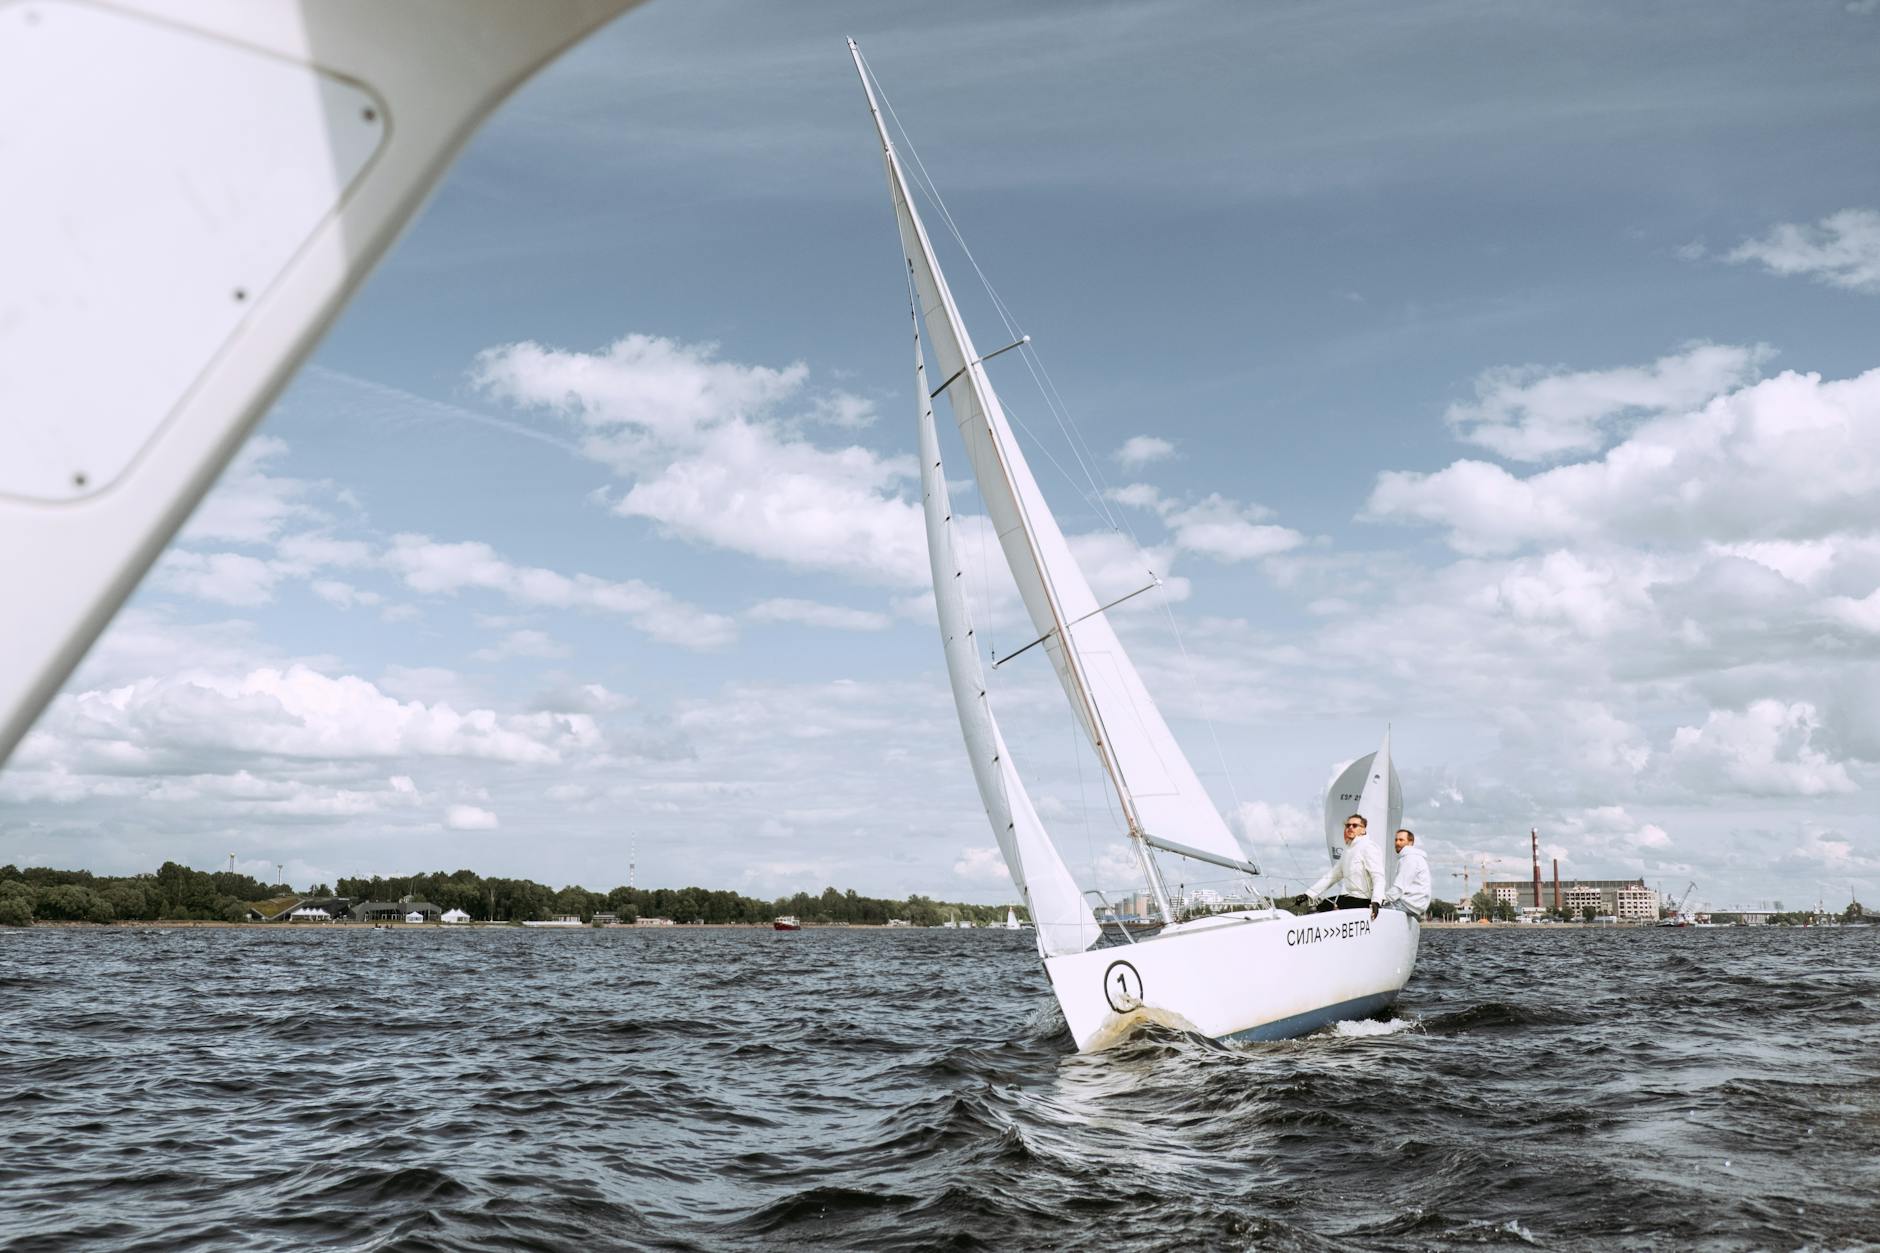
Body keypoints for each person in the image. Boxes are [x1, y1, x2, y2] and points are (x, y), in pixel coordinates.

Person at [1304, 814, 1386, 917]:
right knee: (1321, 906)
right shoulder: (1348, 850)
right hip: (1350, 898)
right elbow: (1332, 876)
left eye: (1355, 825)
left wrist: (1376, 901)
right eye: (1348, 825)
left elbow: (1378, 877)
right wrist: (1308, 894)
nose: (1350, 827)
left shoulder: (1369, 847)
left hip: (1364, 900)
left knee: (1322, 909)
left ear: (1363, 829)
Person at [1385, 828, 1431, 918]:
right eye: (1396, 840)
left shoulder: (1410, 858)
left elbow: (1399, 888)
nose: (1397, 843)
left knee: (1374, 911)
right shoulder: (1414, 857)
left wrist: (1379, 899)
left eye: (1401, 840)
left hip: (1408, 904)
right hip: (1416, 905)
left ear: (1410, 842)